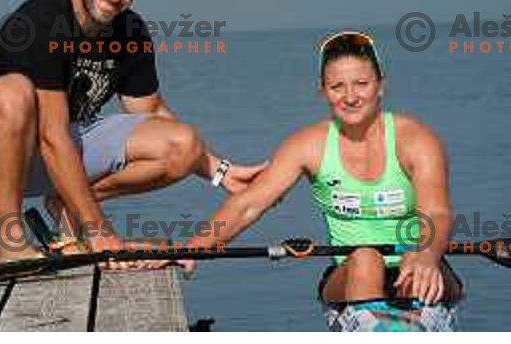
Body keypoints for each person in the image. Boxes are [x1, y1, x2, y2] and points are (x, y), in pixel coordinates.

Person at [0, 0, 265, 261]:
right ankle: (11, 244)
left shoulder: (130, 32)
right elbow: (52, 137)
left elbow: (150, 110)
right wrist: (100, 231)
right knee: (11, 91)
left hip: (58, 146)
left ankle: (66, 204)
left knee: (182, 143)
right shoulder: (40, 20)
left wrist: (218, 169)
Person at [196, 30, 462, 327]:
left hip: (419, 263)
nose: (350, 97)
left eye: (362, 84)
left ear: (381, 86)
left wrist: (426, 255)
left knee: (412, 266)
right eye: (337, 86)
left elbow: (436, 212)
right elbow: (248, 205)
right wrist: (191, 249)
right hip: (350, 274)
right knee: (365, 258)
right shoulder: (308, 144)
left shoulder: (416, 139)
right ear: (322, 90)